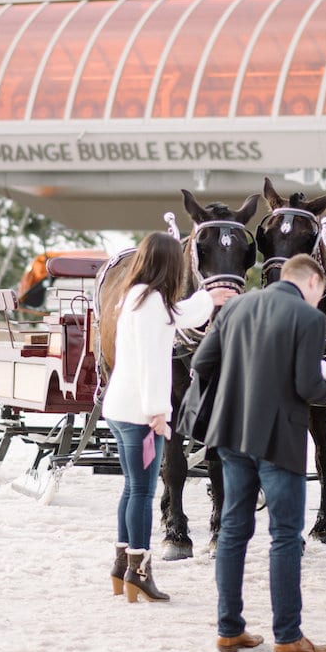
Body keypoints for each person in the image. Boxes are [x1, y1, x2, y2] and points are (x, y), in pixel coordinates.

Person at [190, 254, 326, 652]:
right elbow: (308, 386)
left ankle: (229, 629)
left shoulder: (236, 305)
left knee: (233, 531)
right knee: (285, 537)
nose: (318, 300)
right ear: (311, 282)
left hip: (230, 432)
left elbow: (203, 362)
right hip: (279, 439)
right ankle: (288, 636)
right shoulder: (309, 319)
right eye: (320, 292)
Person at [103, 231, 214, 603]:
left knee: (130, 488)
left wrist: (209, 299)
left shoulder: (136, 296)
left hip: (119, 407)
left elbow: (179, 316)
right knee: (144, 492)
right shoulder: (152, 305)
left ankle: (122, 566)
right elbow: (153, 363)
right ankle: (140, 570)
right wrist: (158, 414)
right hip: (140, 413)